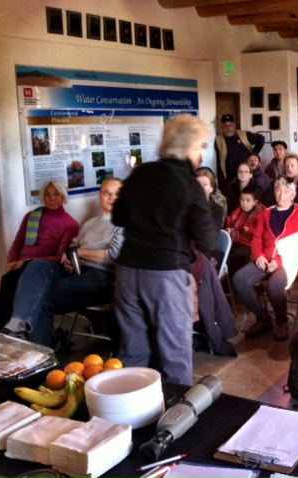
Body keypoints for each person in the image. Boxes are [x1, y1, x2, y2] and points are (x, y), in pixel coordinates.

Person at [112, 115, 217, 386]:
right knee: (175, 356)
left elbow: (118, 217)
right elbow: (207, 241)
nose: (201, 152)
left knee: (132, 353)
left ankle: (131, 421)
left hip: (127, 273)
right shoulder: (188, 184)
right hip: (166, 276)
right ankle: (175, 420)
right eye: (201, 146)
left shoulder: (139, 174)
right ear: (189, 147)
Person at [0, 179, 124, 346]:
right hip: (76, 269)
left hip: (101, 277)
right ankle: (17, 325)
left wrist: (80, 253)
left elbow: (113, 256)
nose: (112, 197)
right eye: (107, 192)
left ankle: (41, 358)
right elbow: (72, 246)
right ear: (100, 195)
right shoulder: (90, 223)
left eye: (117, 193)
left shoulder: (125, 223)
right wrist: (68, 258)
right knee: (36, 266)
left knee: (39, 298)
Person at [0, 181, 79, 333]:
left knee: (10, 283)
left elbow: (60, 257)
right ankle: (3, 330)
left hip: (45, 267)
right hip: (22, 265)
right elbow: (18, 243)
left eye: (56, 194)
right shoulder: (32, 216)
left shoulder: (70, 224)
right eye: (47, 194)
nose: (52, 198)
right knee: (10, 282)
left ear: (63, 197)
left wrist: (27, 262)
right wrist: (11, 261)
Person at [233, 176, 298, 342]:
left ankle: (282, 321)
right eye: (278, 190)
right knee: (239, 279)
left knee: (273, 286)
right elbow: (256, 240)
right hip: (265, 260)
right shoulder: (265, 213)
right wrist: (258, 256)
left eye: (286, 192)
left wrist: (279, 262)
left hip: (291, 263)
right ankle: (263, 318)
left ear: (293, 195)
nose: (281, 195)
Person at [225, 184, 266, 277]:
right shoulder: (239, 210)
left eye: (248, 201)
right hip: (236, 241)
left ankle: (235, 283)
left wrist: (249, 230)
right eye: (242, 200)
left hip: (250, 245)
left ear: (255, 202)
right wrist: (228, 228)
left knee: (235, 257)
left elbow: (262, 232)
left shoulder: (261, 214)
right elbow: (231, 220)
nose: (244, 203)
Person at [215, 114, 265, 187]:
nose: (228, 128)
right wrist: (221, 179)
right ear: (222, 127)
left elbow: (261, 139)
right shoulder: (219, 140)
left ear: (234, 125)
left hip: (246, 175)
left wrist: (253, 155)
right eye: (225, 126)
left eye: (230, 125)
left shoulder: (244, 135)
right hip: (230, 177)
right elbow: (218, 161)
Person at [195, 166, 226, 230]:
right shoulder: (187, 204)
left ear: (211, 188)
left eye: (205, 185)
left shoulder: (217, 210)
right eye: (198, 184)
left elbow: (212, 235)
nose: (201, 188)